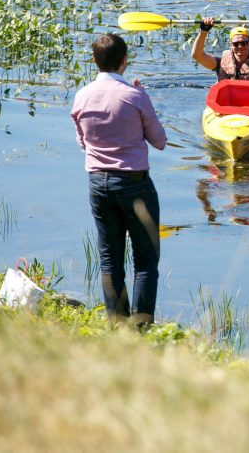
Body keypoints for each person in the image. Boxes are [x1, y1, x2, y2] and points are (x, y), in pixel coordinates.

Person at [71, 33, 167, 327]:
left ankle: (116, 323)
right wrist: (141, 100)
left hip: (98, 184)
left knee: (110, 260)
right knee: (146, 262)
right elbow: (159, 141)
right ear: (125, 60)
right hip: (135, 184)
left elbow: (83, 142)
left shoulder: (82, 95)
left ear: (94, 60)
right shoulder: (135, 96)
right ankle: (141, 326)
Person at [192, 17, 249, 81]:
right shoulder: (219, 63)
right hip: (228, 100)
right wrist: (203, 31)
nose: (240, 47)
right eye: (236, 44)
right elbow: (197, 55)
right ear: (231, 45)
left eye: (244, 43)